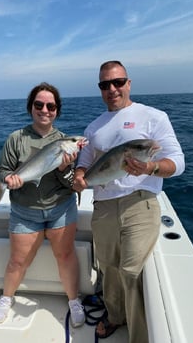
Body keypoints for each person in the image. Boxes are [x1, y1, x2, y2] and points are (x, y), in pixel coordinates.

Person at [73, 61, 185, 343]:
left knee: (131, 271)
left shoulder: (153, 116)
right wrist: (79, 177)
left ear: (129, 83)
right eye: (105, 85)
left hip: (140, 202)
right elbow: (85, 164)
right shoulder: (94, 127)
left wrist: (151, 168)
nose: (112, 89)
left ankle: (139, 337)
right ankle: (114, 317)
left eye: (118, 82)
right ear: (100, 89)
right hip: (103, 206)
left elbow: (178, 162)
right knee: (108, 268)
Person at [0, 82, 85, 328]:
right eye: (39, 104)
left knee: (65, 255)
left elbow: (72, 185)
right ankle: (6, 298)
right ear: (31, 107)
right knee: (17, 261)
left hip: (61, 208)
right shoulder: (16, 139)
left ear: (57, 110)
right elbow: (2, 170)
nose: (45, 109)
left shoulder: (65, 142)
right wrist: (7, 179)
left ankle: (74, 301)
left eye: (51, 106)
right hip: (25, 211)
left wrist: (65, 169)